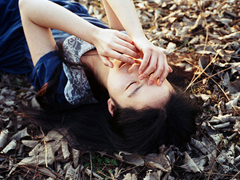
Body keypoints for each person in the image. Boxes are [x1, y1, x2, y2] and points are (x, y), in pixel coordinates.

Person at [0, 0, 200, 154]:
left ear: (112, 106)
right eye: (153, 75)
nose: (136, 69)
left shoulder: (63, 87)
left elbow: (28, 6)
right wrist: (138, 35)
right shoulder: (130, 50)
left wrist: (94, 34)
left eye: (133, 86)